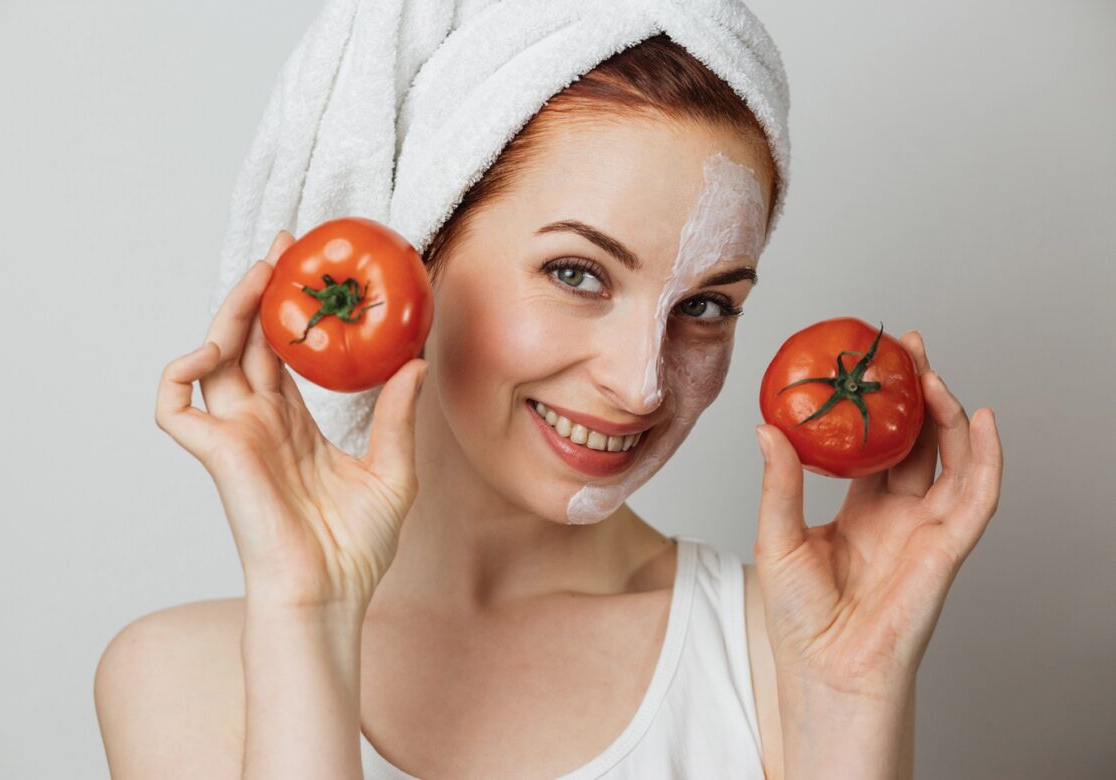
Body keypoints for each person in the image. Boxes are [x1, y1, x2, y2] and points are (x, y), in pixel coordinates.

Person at [94, 27, 1003, 780]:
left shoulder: (782, 656)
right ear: (418, 252)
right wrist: (308, 616)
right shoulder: (184, 680)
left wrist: (853, 700)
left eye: (706, 307)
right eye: (577, 273)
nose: (642, 383)